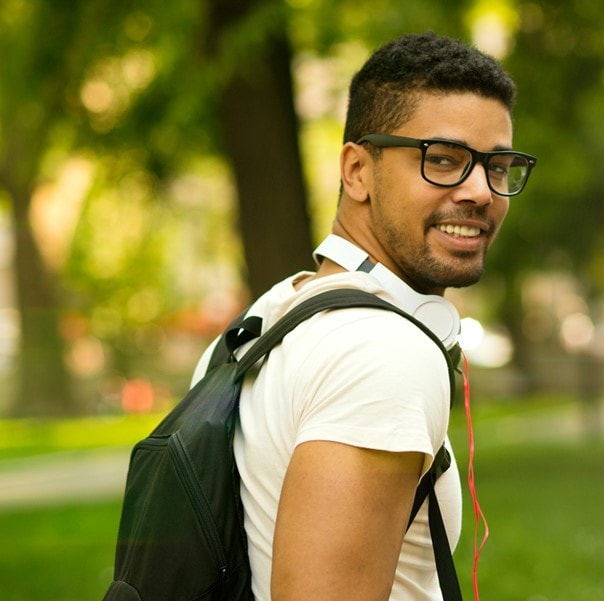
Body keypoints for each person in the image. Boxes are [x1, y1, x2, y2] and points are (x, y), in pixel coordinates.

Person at [190, 32, 536, 600]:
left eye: (498, 166)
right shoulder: (384, 355)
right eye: (443, 159)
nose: (480, 191)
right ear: (357, 171)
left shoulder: (265, 319)